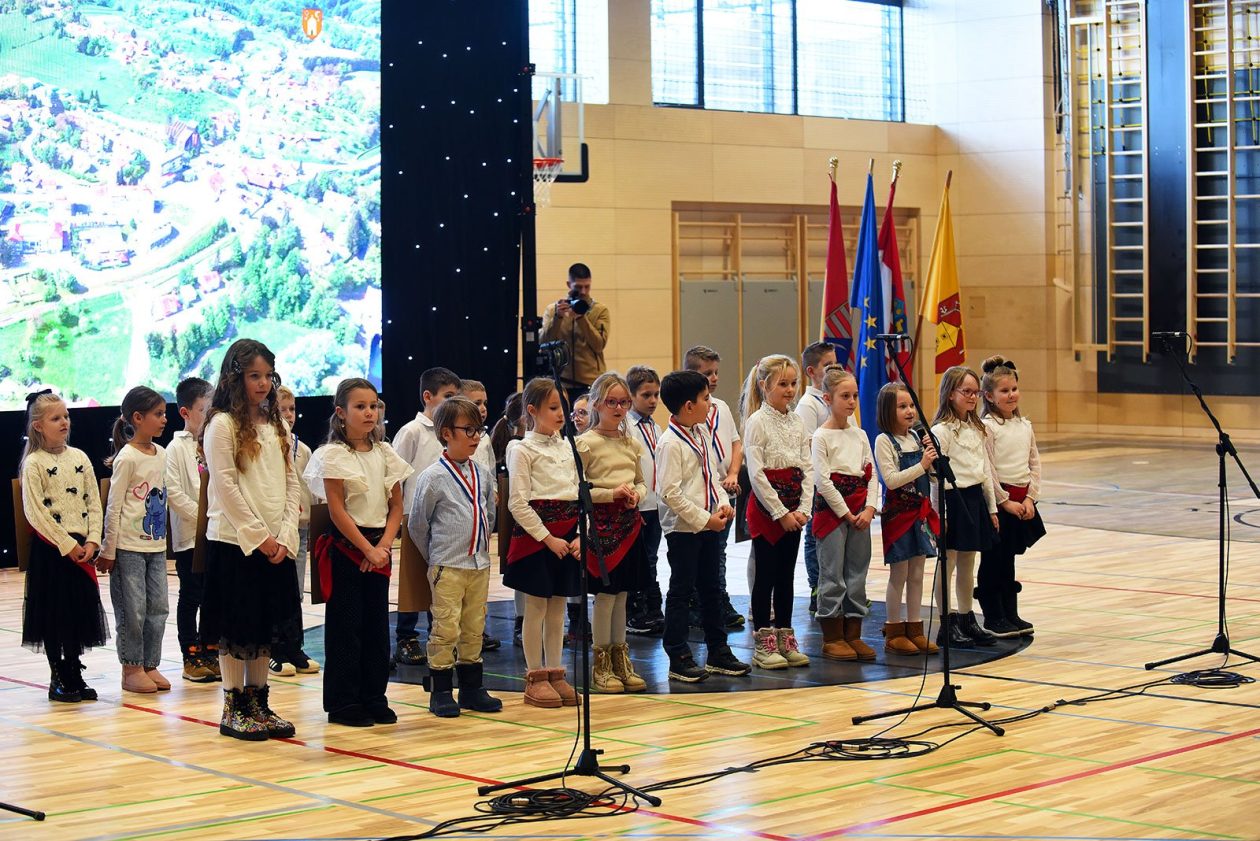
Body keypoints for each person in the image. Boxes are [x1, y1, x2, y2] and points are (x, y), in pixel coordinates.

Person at [202, 338, 301, 741]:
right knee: (237, 625)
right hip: (235, 542)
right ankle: (234, 705)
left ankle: (259, 702)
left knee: (263, 627)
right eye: (253, 376)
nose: (262, 384)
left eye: (267, 376)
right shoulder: (221, 424)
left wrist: (286, 533)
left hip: (277, 542)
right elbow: (226, 486)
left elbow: (291, 480)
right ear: (235, 378)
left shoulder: (277, 423)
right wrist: (260, 537)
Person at [305, 379, 412, 726]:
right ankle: (343, 701)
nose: (369, 413)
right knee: (346, 627)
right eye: (360, 407)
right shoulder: (333, 454)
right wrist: (367, 547)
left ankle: (373, 695)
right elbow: (337, 510)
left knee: (376, 627)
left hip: (379, 549)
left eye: (373, 406)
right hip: (348, 549)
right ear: (341, 412)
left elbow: (397, 505)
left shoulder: (384, 452)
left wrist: (383, 547)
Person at [409, 396, 504, 717]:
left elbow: (489, 513)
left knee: (474, 626)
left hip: (479, 563)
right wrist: (436, 556)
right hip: (447, 565)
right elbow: (418, 524)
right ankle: (441, 690)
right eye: (469, 430)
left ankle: (472, 688)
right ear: (446, 433)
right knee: (445, 627)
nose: (477, 436)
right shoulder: (433, 477)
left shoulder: (482, 472)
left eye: (479, 429)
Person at [656, 370, 750, 683]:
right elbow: (669, 493)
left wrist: (722, 502)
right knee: (682, 590)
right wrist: (702, 518)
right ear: (688, 405)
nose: (711, 403)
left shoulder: (700, 432)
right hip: (684, 529)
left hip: (710, 521)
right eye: (705, 398)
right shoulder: (670, 443)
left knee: (712, 588)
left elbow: (712, 475)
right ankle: (678, 654)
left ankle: (718, 650)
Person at [19, 390, 109, 703]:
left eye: (66, 416)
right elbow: (35, 512)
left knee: (77, 613)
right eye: (56, 418)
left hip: (82, 548)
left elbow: (93, 502)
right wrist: (66, 543)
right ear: (38, 425)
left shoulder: (80, 458)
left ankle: (75, 670)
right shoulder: (34, 464)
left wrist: (93, 539)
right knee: (55, 614)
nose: (64, 422)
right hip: (53, 551)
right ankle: (59, 675)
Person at [505, 378, 582, 709]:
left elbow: (581, 494)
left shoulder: (568, 445)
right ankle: (534, 675)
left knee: (558, 609)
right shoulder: (521, 448)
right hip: (538, 538)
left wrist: (580, 533)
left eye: (563, 407)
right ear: (532, 411)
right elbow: (518, 502)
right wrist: (548, 538)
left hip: (566, 534)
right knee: (536, 609)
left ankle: (555, 672)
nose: (561, 414)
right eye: (553, 408)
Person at [741, 354, 813, 670]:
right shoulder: (757, 421)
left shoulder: (797, 421)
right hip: (768, 510)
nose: (790, 390)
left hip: (795, 508)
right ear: (764, 385)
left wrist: (804, 509)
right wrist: (780, 512)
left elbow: (807, 466)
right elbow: (756, 474)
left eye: (793, 383)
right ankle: (763, 642)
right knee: (766, 575)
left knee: (786, 576)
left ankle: (785, 638)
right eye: (783, 384)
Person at [578, 372, 649, 693]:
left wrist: (637, 495)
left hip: (629, 525)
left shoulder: (631, 444)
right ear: (596, 404)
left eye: (624, 402)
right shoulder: (585, 443)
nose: (619, 408)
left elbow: (642, 482)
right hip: (600, 527)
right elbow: (577, 491)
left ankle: (621, 659)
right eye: (612, 402)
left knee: (622, 595)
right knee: (605, 596)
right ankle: (601, 665)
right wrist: (610, 494)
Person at [99, 386, 171, 694]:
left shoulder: (162, 454)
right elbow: (114, 507)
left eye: (165, 413)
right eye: (158, 414)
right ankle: (131, 668)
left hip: (156, 547)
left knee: (158, 607)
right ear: (137, 418)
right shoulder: (127, 457)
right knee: (133, 609)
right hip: (128, 548)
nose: (164, 419)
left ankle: (149, 664)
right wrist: (109, 548)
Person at [391, 367, 461, 667]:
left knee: (442, 580)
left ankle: (440, 636)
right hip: (414, 517)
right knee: (412, 581)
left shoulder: (452, 433)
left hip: (446, 520)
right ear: (427, 397)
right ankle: (406, 637)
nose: (453, 402)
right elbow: (394, 474)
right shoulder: (412, 432)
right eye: (448, 396)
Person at [811, 366, 879, 663]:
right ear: (828, 398)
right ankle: (832, 636)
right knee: (832, 574)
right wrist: (846, 513)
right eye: (844, 396)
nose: (851, 402)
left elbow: (872, 474)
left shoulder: (861, 434)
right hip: (833, 513)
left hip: (860, 512)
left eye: (854, 396)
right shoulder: (821, 437)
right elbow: (822, 480)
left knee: (857, 573)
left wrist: (869, 508)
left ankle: (853, 634)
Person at [931, 365, 1000, 649]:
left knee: (968, 565)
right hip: (951, 500)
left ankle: (966, 617)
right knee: (948, 563)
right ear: (950, 394)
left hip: (973, 499)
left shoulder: (977, 428)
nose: (973, 398)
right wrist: (938, 515)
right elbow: (935, 478)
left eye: (976, 392)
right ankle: (946, 623)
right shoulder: (941, 431)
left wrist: (992, 508)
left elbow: (984, 471)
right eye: (966, 392)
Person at [979, 356, 1043, 638]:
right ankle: (993, 614)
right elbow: (988, 468)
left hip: (1022, 501)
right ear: (989, 396)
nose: (1011, 395)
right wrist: (1004, 501)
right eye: (1004, 391)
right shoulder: (988, 428)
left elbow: (1035, 463)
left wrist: (1031, 498)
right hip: (1000, 502)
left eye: (1014, 389)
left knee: (1010, 560)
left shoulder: (1024, 425)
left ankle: (1010, 611)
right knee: (994, 559)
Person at [874, 382, 940, 655]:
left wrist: (933, 463)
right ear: (888, 411)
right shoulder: (883, 441)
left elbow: (932, 476)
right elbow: (890, 480)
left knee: (917, 574)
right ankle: (893, 629)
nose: (910, 411)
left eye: (911, 405)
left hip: (920, 515)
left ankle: (915, 627)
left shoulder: (916, 437)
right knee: (898, 574)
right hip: (899, 516)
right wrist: (921, 465)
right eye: (902, 406)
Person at [684, 346, 745, 630]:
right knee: (698, 553)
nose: (715, 378)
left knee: (719, 550)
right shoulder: (687, 411)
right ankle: (697, 602)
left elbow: (735, 442)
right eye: (707, 373)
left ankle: (719, 597)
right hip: (697, 494)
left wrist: (734, 472)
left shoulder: (719, 407)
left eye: (716, 372)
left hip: (723, 491)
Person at [167, 377, 218, 683]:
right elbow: (174, 492)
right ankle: (191, 655)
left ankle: (211, 650)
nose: (210, 416)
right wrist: (203, 519)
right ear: (185, 412)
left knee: (214, 595)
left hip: (218, 533)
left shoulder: (216, 441)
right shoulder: (176, 448)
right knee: (191, 596)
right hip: (191, 537)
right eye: (204, 409)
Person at [270, 385, 320, 676]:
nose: (288, 415)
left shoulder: (304, 449)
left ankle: (294, 646)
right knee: (275, 590)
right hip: (275, 529)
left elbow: (310, 488)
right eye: (282, 410)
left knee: (295, 591)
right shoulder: (267, 443)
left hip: (299, 529)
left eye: (292, 409)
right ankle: (273, 649)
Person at [794, 341, 837, 615]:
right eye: (828, 366)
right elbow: (809, 445)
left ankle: (838, 587)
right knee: (816, 537)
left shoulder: (837, 397)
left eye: (836, 364)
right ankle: (817, 587)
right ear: (811, 371)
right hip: (820, 481)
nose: (834, 370)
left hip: (843, 481)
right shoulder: (809, 404)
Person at [625, 366, 666, 636]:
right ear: (631, 395)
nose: (652, 401)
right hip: (637, 504)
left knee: (650, 558)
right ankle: (634, 611)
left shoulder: (656, 426)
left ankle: (652, 607)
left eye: (656, 395)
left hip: (656, 505)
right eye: (646, 395)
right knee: (636, 560)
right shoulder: (626, 426)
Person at [540, 263, 610, 402]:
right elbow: (543, 343)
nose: (583, 291)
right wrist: (558, 318)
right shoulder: (554, 310)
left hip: (591, 383)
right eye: (578, 287)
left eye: (587, 286)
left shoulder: (600, 310)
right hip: (561, 382)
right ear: (568, 284)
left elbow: (598, 345)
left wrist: (581, 318)